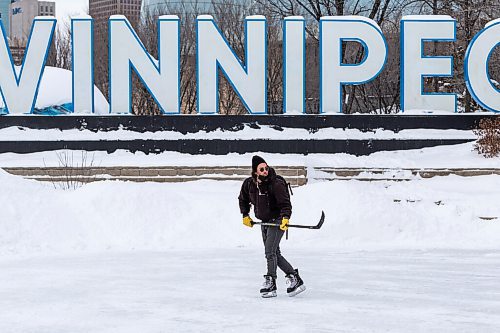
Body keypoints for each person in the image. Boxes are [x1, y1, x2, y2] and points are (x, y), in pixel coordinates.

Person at [238, 155, 306, 298]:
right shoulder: (249, 184)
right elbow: (242, 199)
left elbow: (285, 204)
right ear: (255, 171)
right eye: (261, 169)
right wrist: (245, 215)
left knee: (269, 252)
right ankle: (294, 278)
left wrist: (285, 218)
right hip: (264, 222)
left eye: (266, 168)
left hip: (277, 221)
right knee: (275, 253)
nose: (265, 171)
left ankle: (271, 282)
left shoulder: (276, 183)